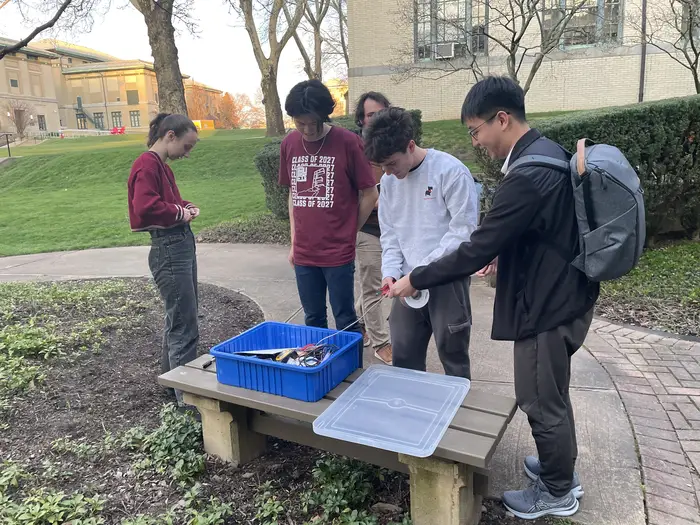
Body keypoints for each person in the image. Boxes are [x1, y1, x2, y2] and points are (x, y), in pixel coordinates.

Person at [388, 76, 599, 520]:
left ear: (501, 119)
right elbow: (537, 231)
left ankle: (558, 491)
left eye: (476, 130)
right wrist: (506, 253)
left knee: (540, 398)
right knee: (551, 392)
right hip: (564, 294)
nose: (476, 140)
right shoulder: (546, 153)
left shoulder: (527, 175)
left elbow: (474, 247)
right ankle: (557, 468)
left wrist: (417, 277)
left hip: (548, 305)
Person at [363, 107, 477, 379]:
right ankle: (409, 414)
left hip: (446, 279)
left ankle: (457, 414)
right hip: (405, 281)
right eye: (381, 168)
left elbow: (462, 233)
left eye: (391, 164)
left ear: (410, 145)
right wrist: (391, 272)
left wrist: (419, 274)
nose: (387, 173)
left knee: (453, 355)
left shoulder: (450, 172)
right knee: (404, 354)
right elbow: (390, 234)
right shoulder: (389, 182)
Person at [279, 80, 379, 355]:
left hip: (338, 252)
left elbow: (370, 193)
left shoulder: (348, 142)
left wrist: (349, 232)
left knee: (345, 318)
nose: (308, 130)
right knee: (313, 320)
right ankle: (318, 369)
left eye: (314, 122)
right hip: (304, 252)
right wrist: (293, 242)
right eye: (301, 123)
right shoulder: (289, 144)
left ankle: (351, 374)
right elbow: (293, 195)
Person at [127, 113, 200, 408]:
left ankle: (171, 382)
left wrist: (185, 206)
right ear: (170, 136)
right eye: (186, 146)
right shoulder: (146, 164)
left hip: (178, 244)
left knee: (179, 317)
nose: (187, 153)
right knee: (185, 324)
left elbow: (167, 201)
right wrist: (178, 213)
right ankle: (187, 403)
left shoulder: (161, 167)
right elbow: (145, 206)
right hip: (169, 248)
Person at [353, 91, 393, 365]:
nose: (375, 119)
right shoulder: (355, 149)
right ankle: (381, 342)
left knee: (378, 285)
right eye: (370, 115)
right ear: (361, 120)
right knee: (375, 287)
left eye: (380, 113)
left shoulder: (396, 144)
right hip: (365, 227)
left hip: (394, 228)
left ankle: (360, 318)